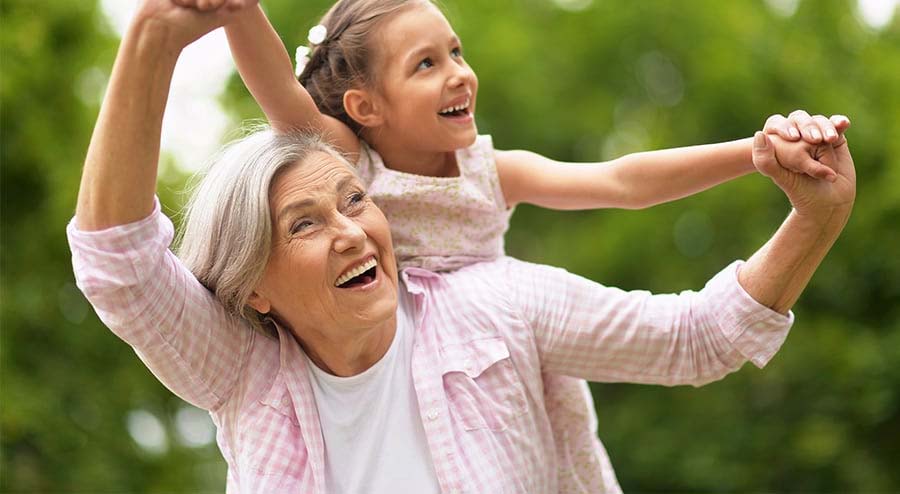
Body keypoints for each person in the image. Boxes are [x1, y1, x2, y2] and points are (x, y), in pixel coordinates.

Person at [69, 1, 856, 493]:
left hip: (494, 322)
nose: (351, 227)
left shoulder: (493, 261)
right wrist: (209, 18)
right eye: (305, 225)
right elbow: (123, 264)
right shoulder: (253, 361)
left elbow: (629, 198)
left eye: (353, 203)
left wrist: (769, 167)